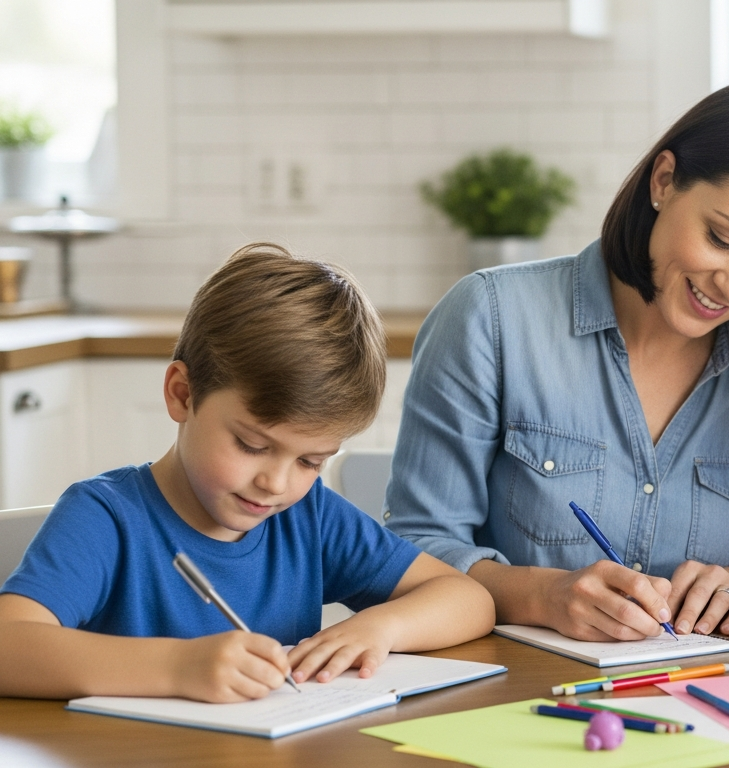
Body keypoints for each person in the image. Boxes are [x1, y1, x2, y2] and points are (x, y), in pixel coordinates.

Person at [387, 76, 729, 642]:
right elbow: (413, 550)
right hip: (517, 696)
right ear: (664, 181)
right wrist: (542, 596)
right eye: (722, 239)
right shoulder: (491, 319)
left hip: (712, 701)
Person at [0, 244, 495, 703]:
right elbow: (8, 646)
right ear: (182, 394)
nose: (276, 484)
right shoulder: (105, 519)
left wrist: (378, 628)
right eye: (252, 445)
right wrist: (177, 667)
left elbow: (467, 598)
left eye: (310, 461)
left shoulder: (309, 516)